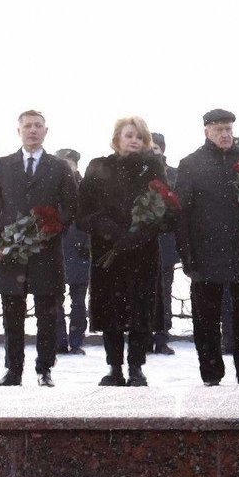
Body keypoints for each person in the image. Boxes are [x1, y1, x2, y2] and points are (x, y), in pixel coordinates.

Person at [177, 109, 239, 386]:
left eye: (229, 129)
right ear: (206, 131)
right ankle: (210, 373)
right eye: (219, 129)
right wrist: (186, 254)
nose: (225, 134)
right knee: (206, 319)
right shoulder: (191, 164)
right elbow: (181, 213)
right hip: (204, 253)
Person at [0, 110, 79, 386]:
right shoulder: (2, 165)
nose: (32, 131)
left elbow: (71, 207)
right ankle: (13, 371)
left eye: (37, 126)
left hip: (46, 253)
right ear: (18, 131)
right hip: (10, 254)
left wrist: (48, 228)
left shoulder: (59, 167)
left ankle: (44, 368)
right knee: (12, 316)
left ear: (46, 131)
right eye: (27, 126)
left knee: (48, 315)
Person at [78, 118, 169, 387]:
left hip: (142, 251)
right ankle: (114, 367)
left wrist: (141, 231)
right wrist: (108, 229)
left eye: (140, 137)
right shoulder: (99, 166)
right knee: (110, 311)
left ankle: (136, 367)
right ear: (117, 137)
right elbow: (82, 212)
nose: (134, 141)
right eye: (129, 135)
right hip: (109, 252)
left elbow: (165, 209)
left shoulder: (152, 168)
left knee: (141, 311)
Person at [149, 132, 180, 355]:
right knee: (139, 293)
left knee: (163, 292)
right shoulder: (133, 173)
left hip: (165, 244)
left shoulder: (174, 176)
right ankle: (141, 336)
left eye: (155, 149)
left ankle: (161, 336)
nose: (152, 152)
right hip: (139, 243)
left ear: (162, 150)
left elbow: (180, 207)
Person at [55, 149, 89, 356]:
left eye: (71, 163)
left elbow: (93, 218)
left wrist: (87, 244)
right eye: (63, 164)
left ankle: (76, 341)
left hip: (80, 250)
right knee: (55, 300)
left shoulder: (87, 189)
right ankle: (59, 340)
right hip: (56, 249)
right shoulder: (50, 187)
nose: (68, 168)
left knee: (78, 301)